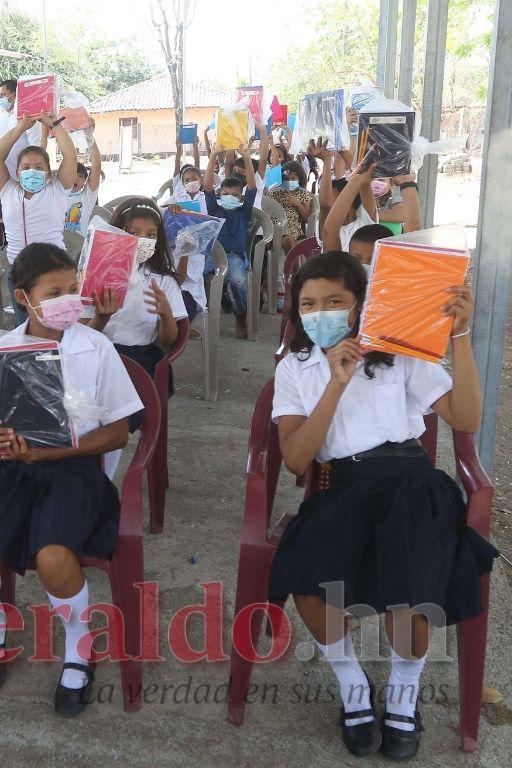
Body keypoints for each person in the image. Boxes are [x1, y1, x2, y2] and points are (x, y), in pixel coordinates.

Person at [268, 251, 497, 758]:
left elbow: (466, 417)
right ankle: (353, 687)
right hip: (341, 487)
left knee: (411, 595)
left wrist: (457, 337)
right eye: (309, 304)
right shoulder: (295, 368)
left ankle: (403, 692)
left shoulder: (399, 354)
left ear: (359, 306)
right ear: (296, 311)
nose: (321, 311)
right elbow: (296, 459)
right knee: (306, 582)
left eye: (335, 301)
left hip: (411, 484)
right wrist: (335, 381)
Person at [0, 243, 143, 717]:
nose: (70, 301)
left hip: (76, 471)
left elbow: (120, 430)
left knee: (55, 556)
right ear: (24, 298)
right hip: (17, 470)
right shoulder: (3, 351)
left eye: (72, 290)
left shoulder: (97, 346)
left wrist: (56, 450)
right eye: (55, 292)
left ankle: (79, 646)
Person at [89, 197, 187, 437]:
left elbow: (168, 339)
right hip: (99, 357)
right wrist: (102, 317)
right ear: (117, 233)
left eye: (151, 235)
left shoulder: (163, 281)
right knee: (80, 415)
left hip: (140, 361)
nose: (142, 240)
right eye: (133, 232)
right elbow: (81, 334)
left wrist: (165, 314)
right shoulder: (97, 276)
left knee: (116, 420)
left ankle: (103, 452)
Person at [0, 112, 78, 324]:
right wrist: (20, 128)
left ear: (49, 173)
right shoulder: (7, 189)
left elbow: (70, 156)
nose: (32, 171)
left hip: (54, 271)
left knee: (59, 327)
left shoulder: (58, 188)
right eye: (26, 167)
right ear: (17, 172)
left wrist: (53, 124)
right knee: (28, 328)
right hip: (19, 273)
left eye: (39, 168)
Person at [204, 142, 257, 338]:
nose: (230, 197)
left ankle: (240, 314)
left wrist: (247, 157)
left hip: (235, 256)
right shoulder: (214, 208)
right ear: (219, 195)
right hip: (213, 256)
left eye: (235, 194)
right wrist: (213, 156)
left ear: (241, 198)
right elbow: (208, 185)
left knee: (238, 281)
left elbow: (252, 186)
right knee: (194, 274)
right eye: (226, 194)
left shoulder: (244, 210)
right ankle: (198, 313)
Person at [268, 161, 314, 253]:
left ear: (300, 179)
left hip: (292, 229)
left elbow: (308, 219)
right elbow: (266, 211)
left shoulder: (303, 194)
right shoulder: (274, 192)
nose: (289, 182)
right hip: (274, 228)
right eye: (286, 179)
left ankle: (293, 267)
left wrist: (297, 204)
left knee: (289, 241)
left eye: (293, 179)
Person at [63, 129, 101, 234]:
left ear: (85, 181)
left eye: (80, 176)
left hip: (79, 248)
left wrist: (89, 136)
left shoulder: (86, 198)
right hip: (55, 249)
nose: (75, 178)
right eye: (72, 173)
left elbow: (96, 166)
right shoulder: (55, 194)